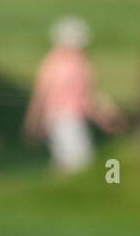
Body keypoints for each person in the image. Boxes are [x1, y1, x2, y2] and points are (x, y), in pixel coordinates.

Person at [24, 16, 124, 173]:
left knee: (67, 160)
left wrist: (104, 117)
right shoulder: (60, 63)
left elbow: (88, 96)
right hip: (64, 118)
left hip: (69, 118)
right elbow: (43, 95)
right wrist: (33, 122)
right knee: (78, 161)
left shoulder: (74, 63)